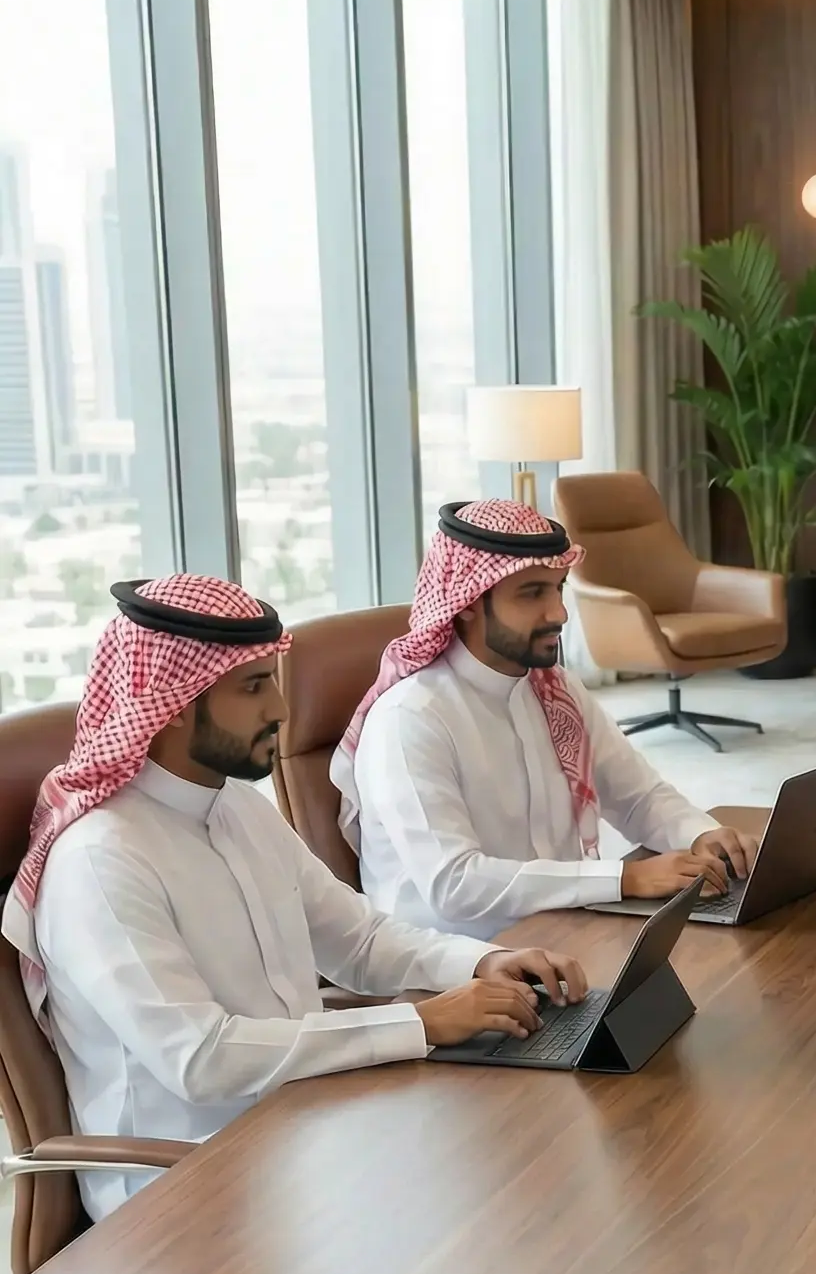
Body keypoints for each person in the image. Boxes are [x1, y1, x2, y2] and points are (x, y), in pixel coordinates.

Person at [0, 574, 585, 1222]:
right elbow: (202, 1060)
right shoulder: (99, 861)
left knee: (527, 1167)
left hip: (306, 1126)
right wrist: (421, 1023)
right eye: (254, 688)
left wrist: (479, 963)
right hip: (183, 1189)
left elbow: (359, 942)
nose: (280, 710)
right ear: (175, 703)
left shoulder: (237, 809)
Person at [335, 499, 757, 939]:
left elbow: (636, 797)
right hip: (459, 960)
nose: (559, 613)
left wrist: (699, 834)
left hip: (564, 927)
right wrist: (625, 878)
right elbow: (454, 885)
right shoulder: (410, 718)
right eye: (532, 593)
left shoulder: (554, 689)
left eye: (558, 588)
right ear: (468, 602)